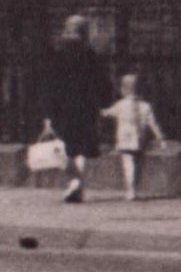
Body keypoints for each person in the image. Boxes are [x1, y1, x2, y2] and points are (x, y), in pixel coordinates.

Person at [39, 14, 111, 206]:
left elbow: (49, 85)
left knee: (65, 148)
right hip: (86, 107)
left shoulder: (58, 55)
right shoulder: (91, 55)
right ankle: (77, 184)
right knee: (82, 148)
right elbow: (102, 83)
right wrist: (104, 103)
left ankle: (74, 182)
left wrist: (48, 112)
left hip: (62, 108)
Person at [102, 70, 169, 202]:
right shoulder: (145, 106)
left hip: (124, 139)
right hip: (139, 139)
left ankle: (130, 189)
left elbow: (107, 113)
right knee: (138, 164)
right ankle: (134, 188)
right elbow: (153, 123)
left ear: (124, 90)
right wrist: (160, 137)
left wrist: (98, 111)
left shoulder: (120, 105)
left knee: (128, 163)